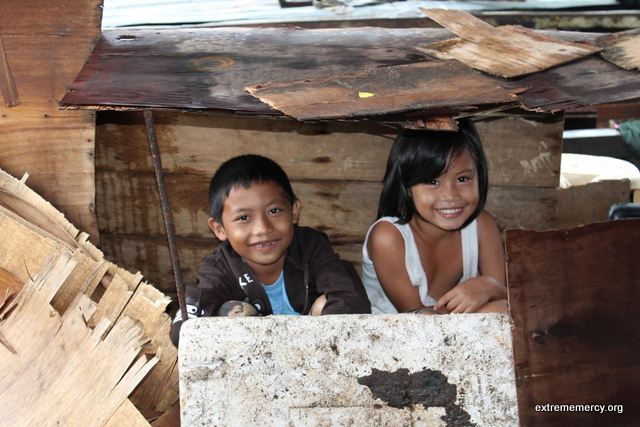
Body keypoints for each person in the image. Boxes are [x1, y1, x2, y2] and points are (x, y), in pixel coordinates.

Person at [170, 154, 371, 346]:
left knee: (326, 304)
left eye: (274, 211)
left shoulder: (311, 246)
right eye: (243, 218)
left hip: (312, 355)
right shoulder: (219, 268)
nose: (263, 228)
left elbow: (352, 299)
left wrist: (296, 347)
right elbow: (184, 329)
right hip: (256, 364)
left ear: (294, 211)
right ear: (219, 229)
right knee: (232, 312)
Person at [361, 120, 508, 315]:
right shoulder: (388, 237)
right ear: (407, 186)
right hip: (388, 340)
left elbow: (507, 301)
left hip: (457, 338)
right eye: (432, 181)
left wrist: (491, 286)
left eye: (462, 179)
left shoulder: (483, 225)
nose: (450, 195)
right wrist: (486, 308)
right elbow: (420, 320)